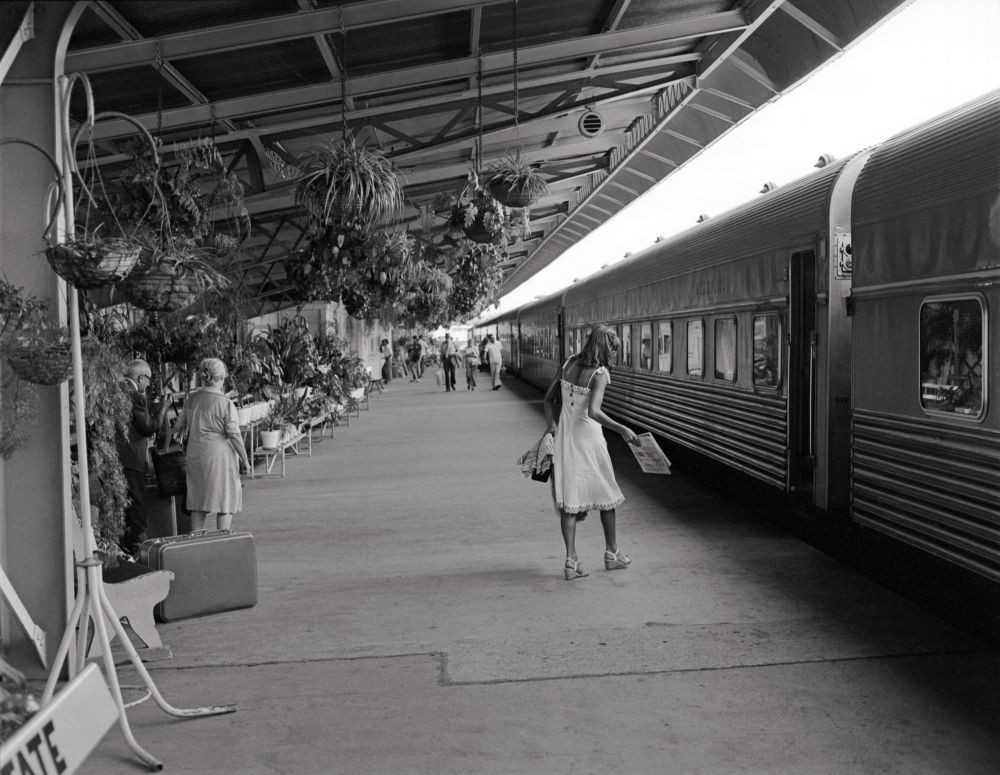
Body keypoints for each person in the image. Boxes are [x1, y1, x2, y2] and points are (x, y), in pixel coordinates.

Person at [542, 325, 639, 580]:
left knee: (570, 502)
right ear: (605, 348)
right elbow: (594, 412)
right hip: (590, 441)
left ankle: (571, 562)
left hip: (566, 439)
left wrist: (550, 427)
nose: (614, 354)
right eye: (613, 349)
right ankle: (612, 553)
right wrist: (622, 428)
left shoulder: (568, 364)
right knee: (607, 495)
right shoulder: (600, 374)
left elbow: (548, 399)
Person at [173, 358, 251, 532]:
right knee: (225, 501)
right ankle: (221, 541)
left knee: (198, 502)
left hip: (195, 455)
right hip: (219, 458)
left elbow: (178, 427)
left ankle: (196, 541)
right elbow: (234, 435)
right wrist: (245, 460)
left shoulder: (191, 400)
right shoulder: (225, 403)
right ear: (221, 378)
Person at [118, 359, 168, 556]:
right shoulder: (136, 396)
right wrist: (163, 408)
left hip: (116, 458)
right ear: (140, 377)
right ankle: (138, 551)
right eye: (147, 379)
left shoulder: (116, 390)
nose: (148, 384)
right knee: (136, 507)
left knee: (121, 507)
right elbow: (147, 427)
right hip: (131, 459)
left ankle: (124, 548)